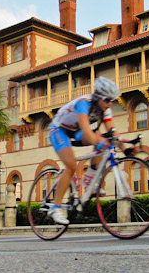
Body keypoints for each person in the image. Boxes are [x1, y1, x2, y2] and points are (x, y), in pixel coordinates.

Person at [47, 76, 121, 225]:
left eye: (113, 100)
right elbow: (87, 131)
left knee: (102, 137)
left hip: (75, 131)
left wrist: (128, 148)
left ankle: (89, 181)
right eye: (108, 100)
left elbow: (113, 133)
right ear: (99, 97)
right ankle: (55, 208)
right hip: (59, 130)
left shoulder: (105, 109)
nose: (110, 103)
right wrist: (98, 142)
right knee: (71, 165)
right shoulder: (84, 103)